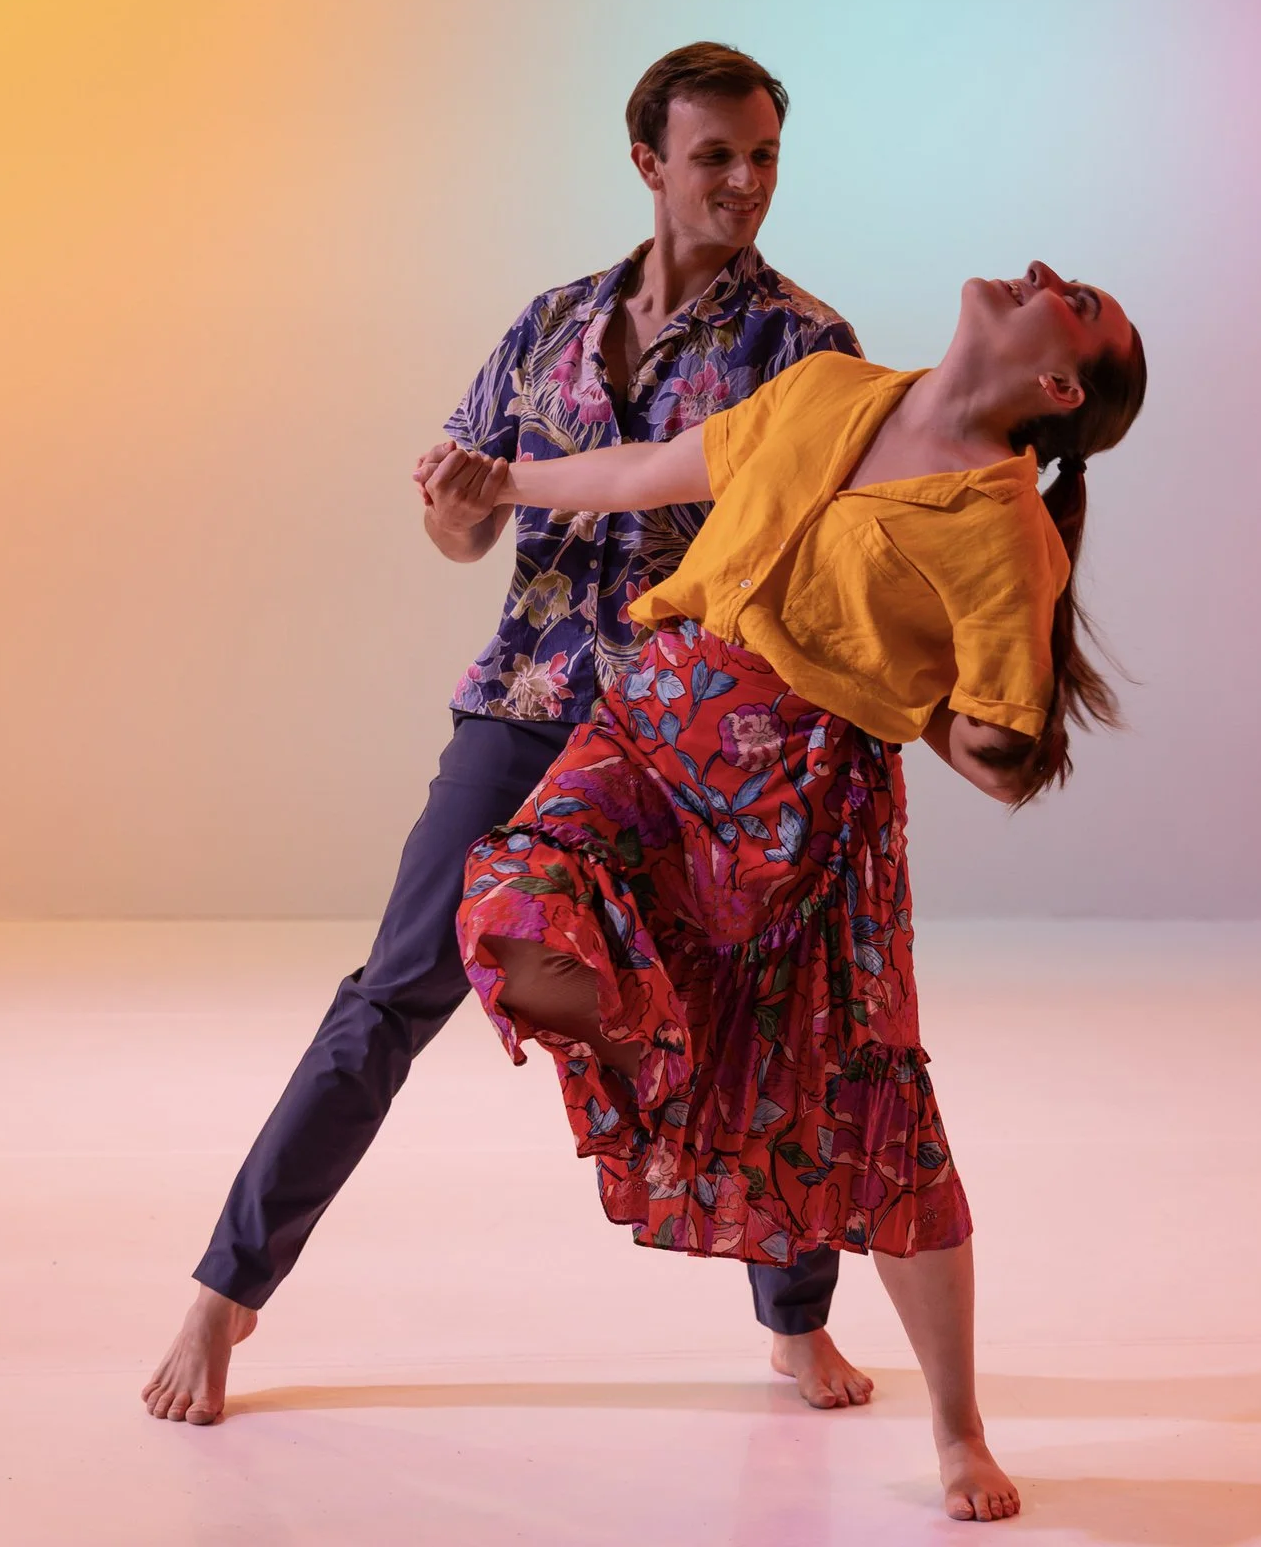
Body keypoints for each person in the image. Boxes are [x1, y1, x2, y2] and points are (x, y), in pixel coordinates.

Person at [143, 43, 878, 1427]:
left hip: (692, 733)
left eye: (765, 156)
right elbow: (460, 528)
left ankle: (794, 1320)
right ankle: (224, 1299)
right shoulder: (548, 325)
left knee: (763, 1011)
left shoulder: (805, 348)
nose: (746, 183)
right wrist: (464, 494)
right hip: (529, 704)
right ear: (650, 164)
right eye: (716, 156)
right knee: (395, 989)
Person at [452, 261, 1145, 1522]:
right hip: (656, 724)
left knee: (863, 1107)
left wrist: (880, 676)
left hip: (806, 798)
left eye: (1080, 300)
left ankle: (956, 1429)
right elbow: (644, 471)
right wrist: (503, 480)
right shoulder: (825, 387)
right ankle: (670, 1060)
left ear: (1053, 384)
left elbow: (998, 755)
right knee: (513, 903)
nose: (1048, 273)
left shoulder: (1004, 532)